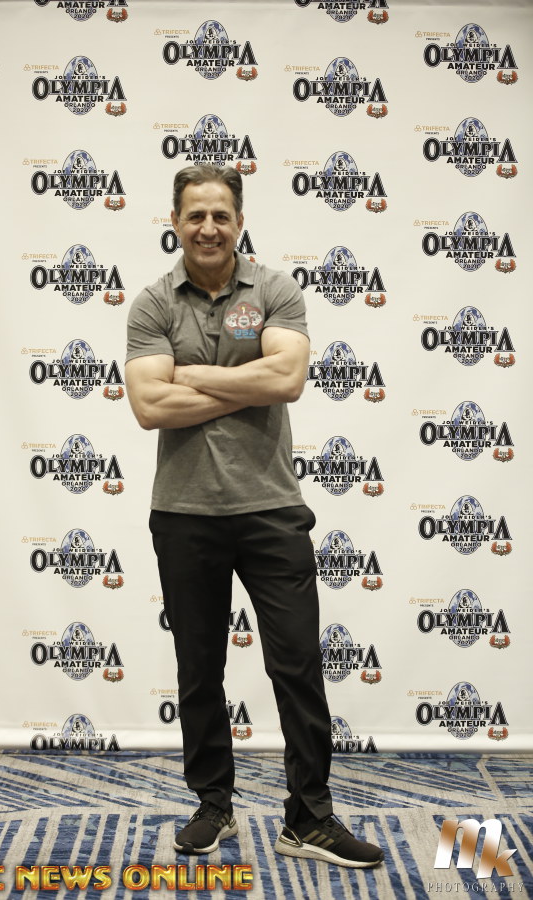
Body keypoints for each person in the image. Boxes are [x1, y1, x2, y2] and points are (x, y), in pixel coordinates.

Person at [124, 165, 384, 869]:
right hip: (184, 513)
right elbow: (149, 405)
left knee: (297, 665)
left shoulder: (275, 291)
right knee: (198, 669)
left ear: (239, 221)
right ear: (175, 222)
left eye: (221, 215)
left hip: (272, 508)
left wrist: (189, 374)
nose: (208, 228)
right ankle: (213, 805)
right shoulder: (152, 303)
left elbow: (288, 379)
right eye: (195, 215)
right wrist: (248, 383)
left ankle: (310, 818)